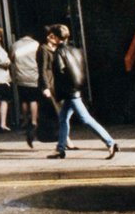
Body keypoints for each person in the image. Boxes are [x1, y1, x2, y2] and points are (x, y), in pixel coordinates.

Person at [47, 24, 117, 160]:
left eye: (51, 36)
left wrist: (57, 90)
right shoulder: (74, 49)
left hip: (70, 92)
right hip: (76, 89)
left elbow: (60, 72)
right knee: (63, 119)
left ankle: (110, 142)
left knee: (86, 119)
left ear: (55, 37)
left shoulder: (58, 52)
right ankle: (60, 148)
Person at [11, 32, 41, 148]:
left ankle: (24, 119)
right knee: (33, 99)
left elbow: (12, 58)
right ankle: (33, 120)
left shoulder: (15, 44)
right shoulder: (36, 44)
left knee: (24, 100)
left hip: (21, 76)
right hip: (33, 76)